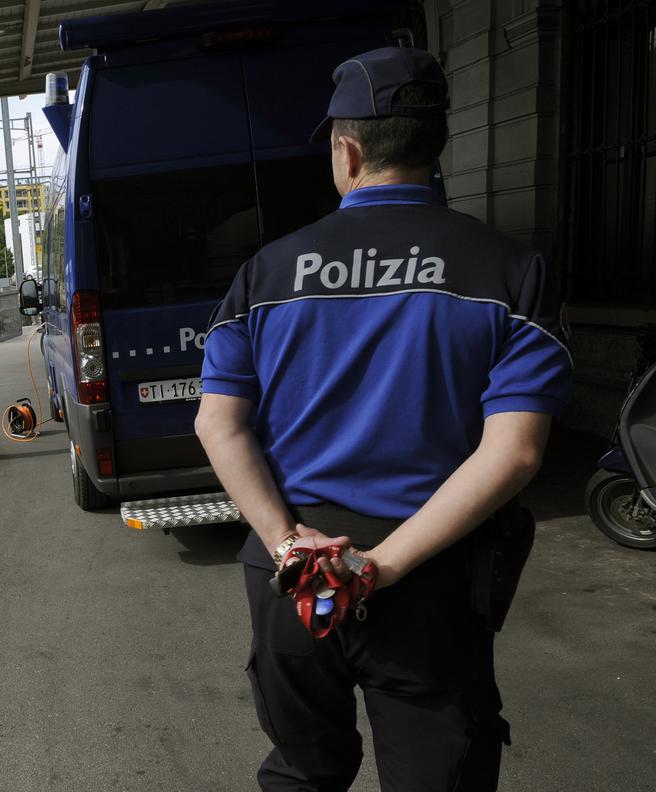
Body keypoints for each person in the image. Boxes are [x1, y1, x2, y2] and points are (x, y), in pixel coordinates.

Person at [195, 47, 572, 792]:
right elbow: (517, 452)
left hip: (295, 576)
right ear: (436, 146)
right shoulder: (511, 271)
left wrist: (284, 542)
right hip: (432, 578)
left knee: (305, 771)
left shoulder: (266, 273)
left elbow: (220, 424)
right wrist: (383, 565)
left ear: (348, 150)